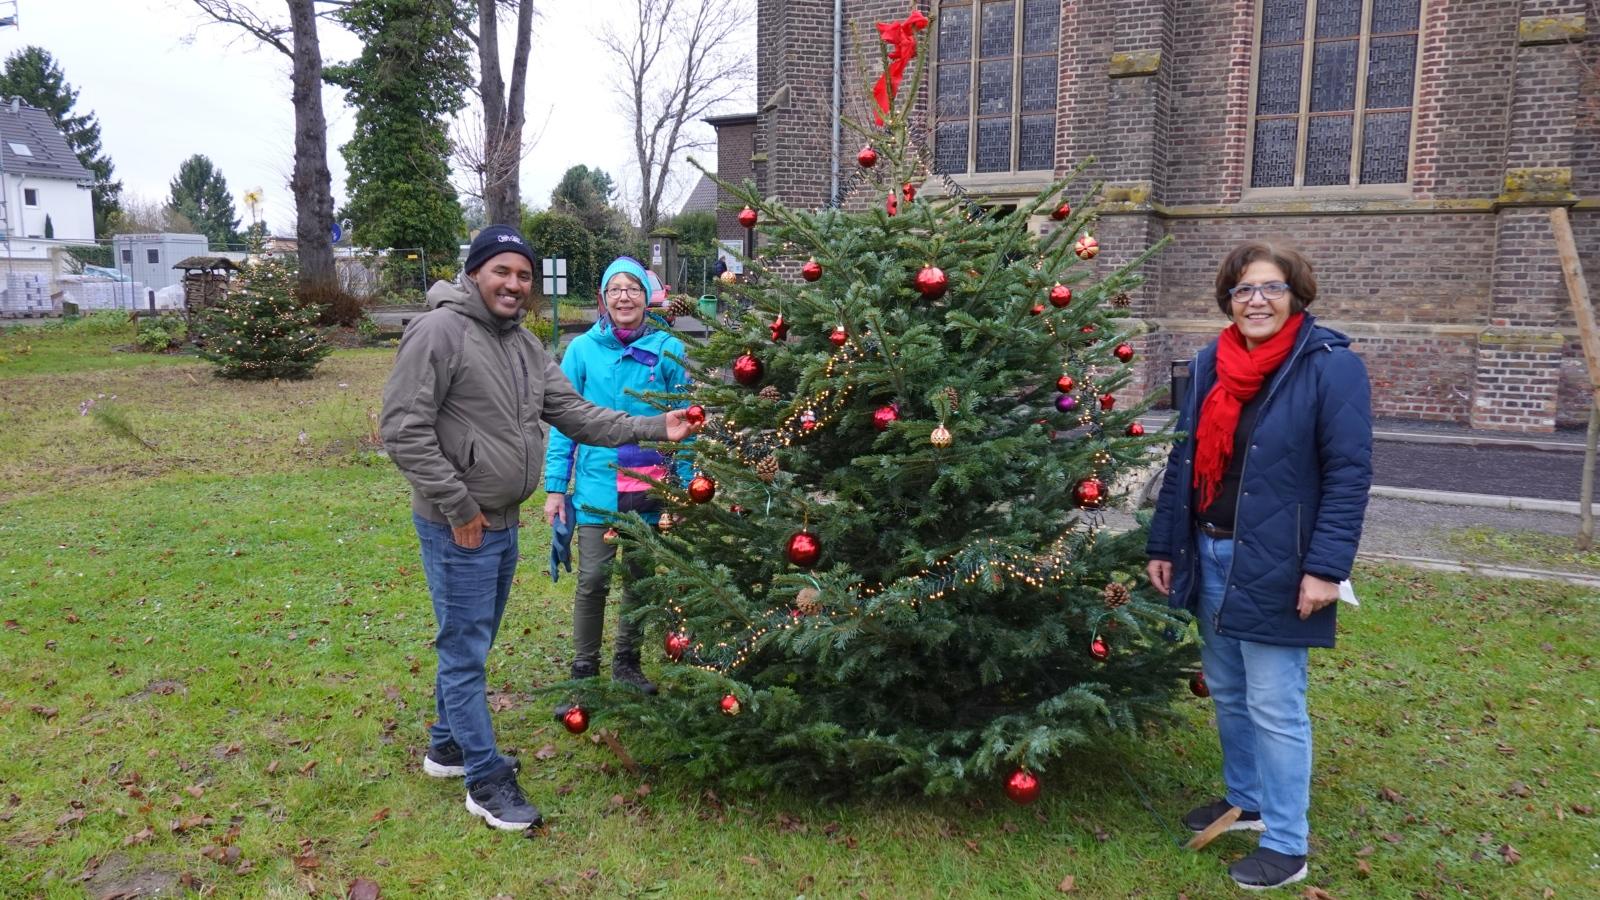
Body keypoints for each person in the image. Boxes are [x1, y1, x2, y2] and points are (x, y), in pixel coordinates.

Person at [380, 226, 698, 832]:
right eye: (502, 271)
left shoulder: (523, 345)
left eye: (523, 275)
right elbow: (403, 430)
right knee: (465, 649)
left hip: (498, 519)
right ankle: (484, 779)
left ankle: (446, 747)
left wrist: (657, 428)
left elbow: (575, 413)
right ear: (475, 272)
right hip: (459, 523)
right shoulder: (439, 332)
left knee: (472, 639)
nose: (515, 284)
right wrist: (458, 505)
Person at [1145, 241, 1372, 890]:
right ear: (1228, 300)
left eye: (1270, 288)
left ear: (1296, 295)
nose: (1257, 301)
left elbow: (1349, 475)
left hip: (1279, 560)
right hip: (1209, 549)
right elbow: (1184, 462)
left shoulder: (1330, 367)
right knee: (1229, 688)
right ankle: (1247, 799)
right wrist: (1164, 544)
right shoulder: (1212, 362)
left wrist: (1326, 568)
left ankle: (1287, 843)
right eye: (1243, 291)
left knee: (1276, 702)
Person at [544, 257, 691, 695]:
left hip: (652, 487)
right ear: (604, 299)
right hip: (597, 488)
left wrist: (684, 487)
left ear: (648, 297)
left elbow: (688, 423)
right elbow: (563, 421)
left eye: (633, 289)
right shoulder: (581, 351)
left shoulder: (670, 349)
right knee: (592, 581)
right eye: (614, 290)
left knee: (640, 580)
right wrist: (555, 487)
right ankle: (583, 671)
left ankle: (627, 663)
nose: (623, 297)